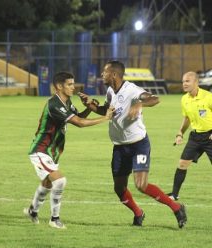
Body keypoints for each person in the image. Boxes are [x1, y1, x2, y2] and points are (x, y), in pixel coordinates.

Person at [78, 60, 187, 228]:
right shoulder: (110, 91)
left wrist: (139, 103)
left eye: (104, 72)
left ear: (114, 74)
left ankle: (176, 207)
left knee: (141, 185)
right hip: (120, 147)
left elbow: (155, 99)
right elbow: (107, 111)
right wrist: (91, 106)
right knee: (119, 188)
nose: (102, 75)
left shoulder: (132, 90)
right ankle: (138, 213)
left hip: (138, 145)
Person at [24, 71, 114, 229]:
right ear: (59, 86)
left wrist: (89, 107)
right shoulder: (54, 104)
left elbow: (78, 116)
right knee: (59, 181)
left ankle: (33, 211)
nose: (74, 87)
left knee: (47, 183)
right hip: (40, 150)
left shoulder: (67, 103)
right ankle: (54, 219)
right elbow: (79, 123)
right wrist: (105, 118)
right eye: (70, 84)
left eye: (73, 84)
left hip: (52, 152)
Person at [167, 71, 212, 201]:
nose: (184, 84)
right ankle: (174, 194)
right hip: (195, 137)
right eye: (183, 81)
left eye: (187, 81)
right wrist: (180, 133)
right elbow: (187, 118)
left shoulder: (208, 97)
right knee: (182, 164)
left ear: (196, 82)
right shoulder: (184, 99)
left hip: (209, 137)